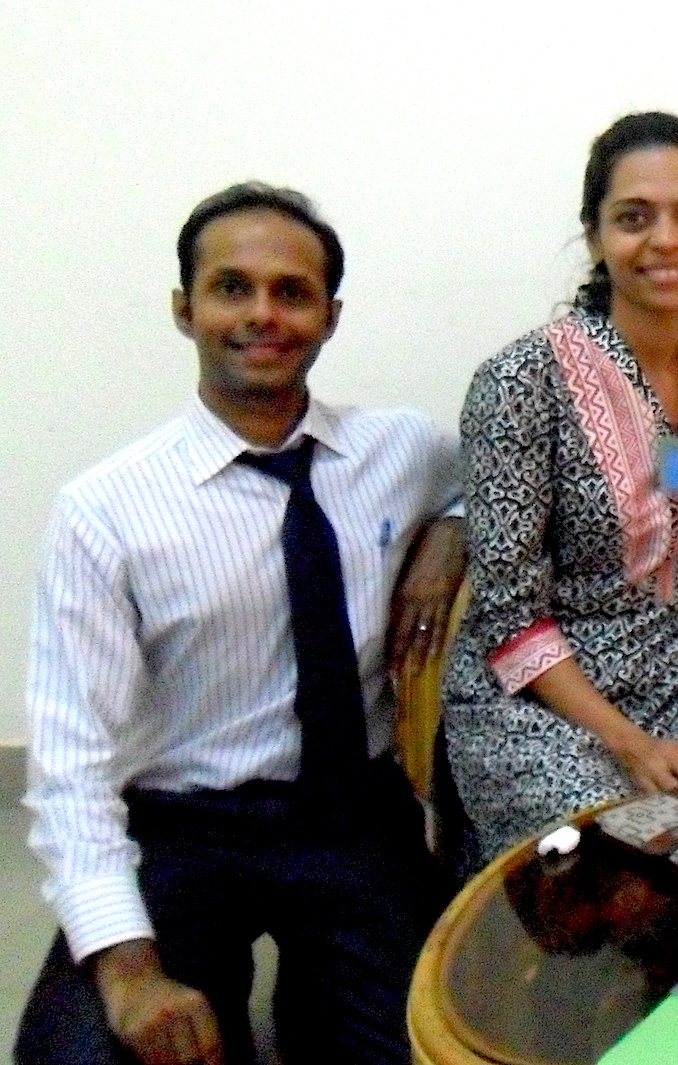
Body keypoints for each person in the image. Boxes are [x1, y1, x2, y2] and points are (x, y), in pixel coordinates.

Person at [17, 183, 466, 1065]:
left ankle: (316, 998)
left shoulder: (400, 450)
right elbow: (71, 769)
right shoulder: (105, 511)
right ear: (185, 308)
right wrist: (127, 969)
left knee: (432, 1045)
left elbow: (481, 479)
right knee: (81, 1055)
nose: (262, 314)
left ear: (330, 316)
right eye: (232, 287)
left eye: (291, 292)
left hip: (352, 819)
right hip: (182, 828)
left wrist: (452, 531)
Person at [442, 114, 678, 864]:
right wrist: (627, 743)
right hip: (545, 695)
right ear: (594, 236)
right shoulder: (523, 382)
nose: (667, 241)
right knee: (605, 865)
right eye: (634, 218)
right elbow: (508, 609)